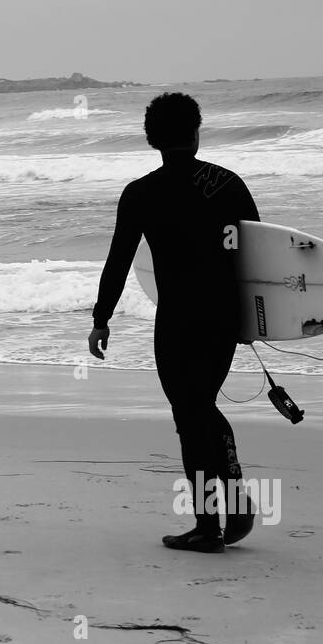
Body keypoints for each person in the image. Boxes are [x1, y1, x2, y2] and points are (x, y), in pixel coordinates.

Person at [88, 93, 260, 553]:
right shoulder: (226, 184)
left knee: (190, 413)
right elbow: (255, 255)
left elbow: (119, 260)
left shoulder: (141, 193)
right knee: (196, 408)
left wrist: (101, 318)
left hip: (177, 319)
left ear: (152, 140)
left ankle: (213, 522)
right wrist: (254, 318)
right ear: (197, 131)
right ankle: (226, 506)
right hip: (223, 315)